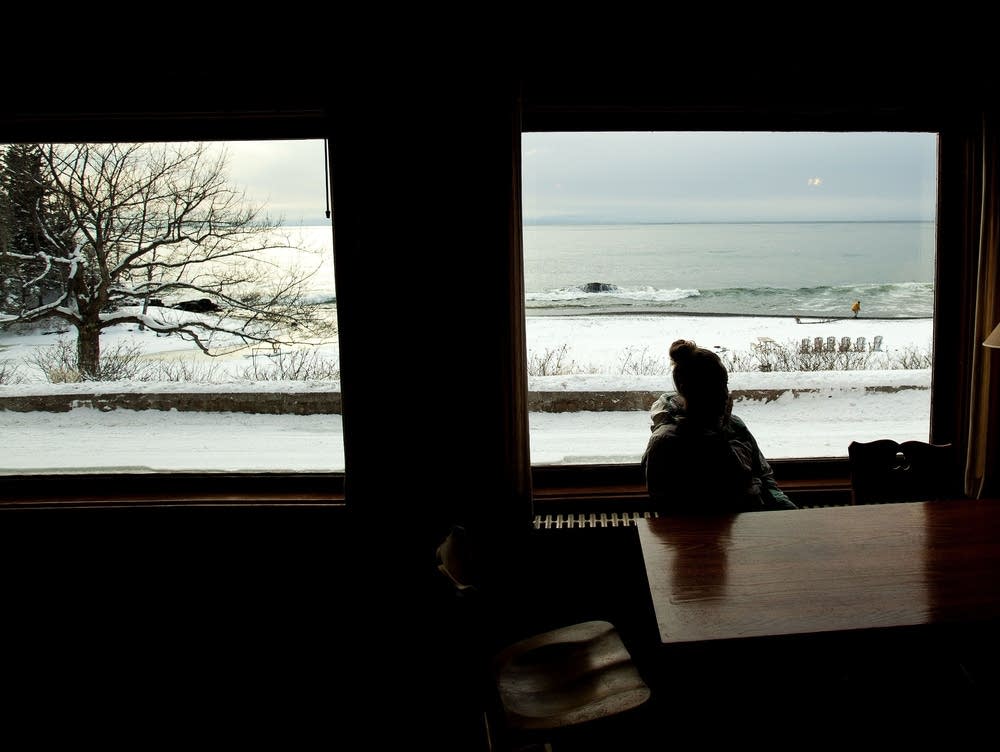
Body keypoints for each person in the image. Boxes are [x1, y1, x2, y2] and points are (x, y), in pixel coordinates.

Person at [641, 338, 797, 514]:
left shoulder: (735, 425)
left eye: (725, 384)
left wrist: (788, 512)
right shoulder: (666, 443)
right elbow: (672, 509)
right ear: (687, 389)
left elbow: (764, 477)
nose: (725, 394)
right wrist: (718, 438)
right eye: (713, 387)